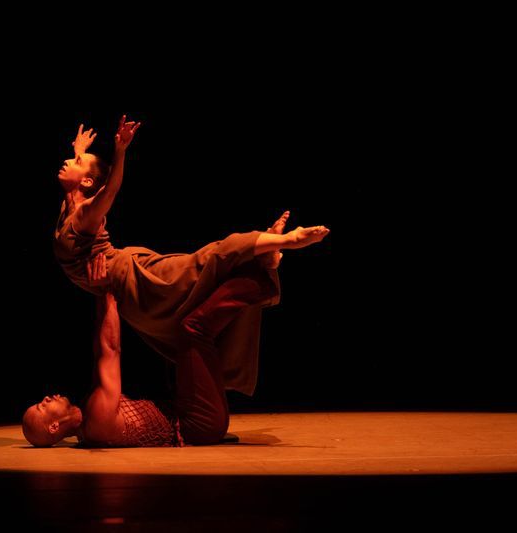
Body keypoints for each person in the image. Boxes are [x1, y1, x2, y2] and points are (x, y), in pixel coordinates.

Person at [54, 116, 329, 396]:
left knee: (202, 262)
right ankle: (262, 259)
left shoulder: (86, 213)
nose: (67, 161)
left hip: (136, 275)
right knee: (184, 326)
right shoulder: (71, 206)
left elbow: (109, 189)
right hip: (129, 296)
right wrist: (79, 152)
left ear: (88, 181)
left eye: (75, 163)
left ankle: (286, 240)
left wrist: (120, 151)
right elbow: (86, 183)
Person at [22, 253, 284, 447]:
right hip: (199, 424)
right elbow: (109, 350)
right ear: (54, 426)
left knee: (179, 324)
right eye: (40, 407)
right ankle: (259, 278)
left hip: (188, 411)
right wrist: (105, 291)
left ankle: (251, 265)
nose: (44, 398)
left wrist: (103, 294)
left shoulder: (90, 415)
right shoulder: (97, 421)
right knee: (192, 330)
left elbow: (99, 353)